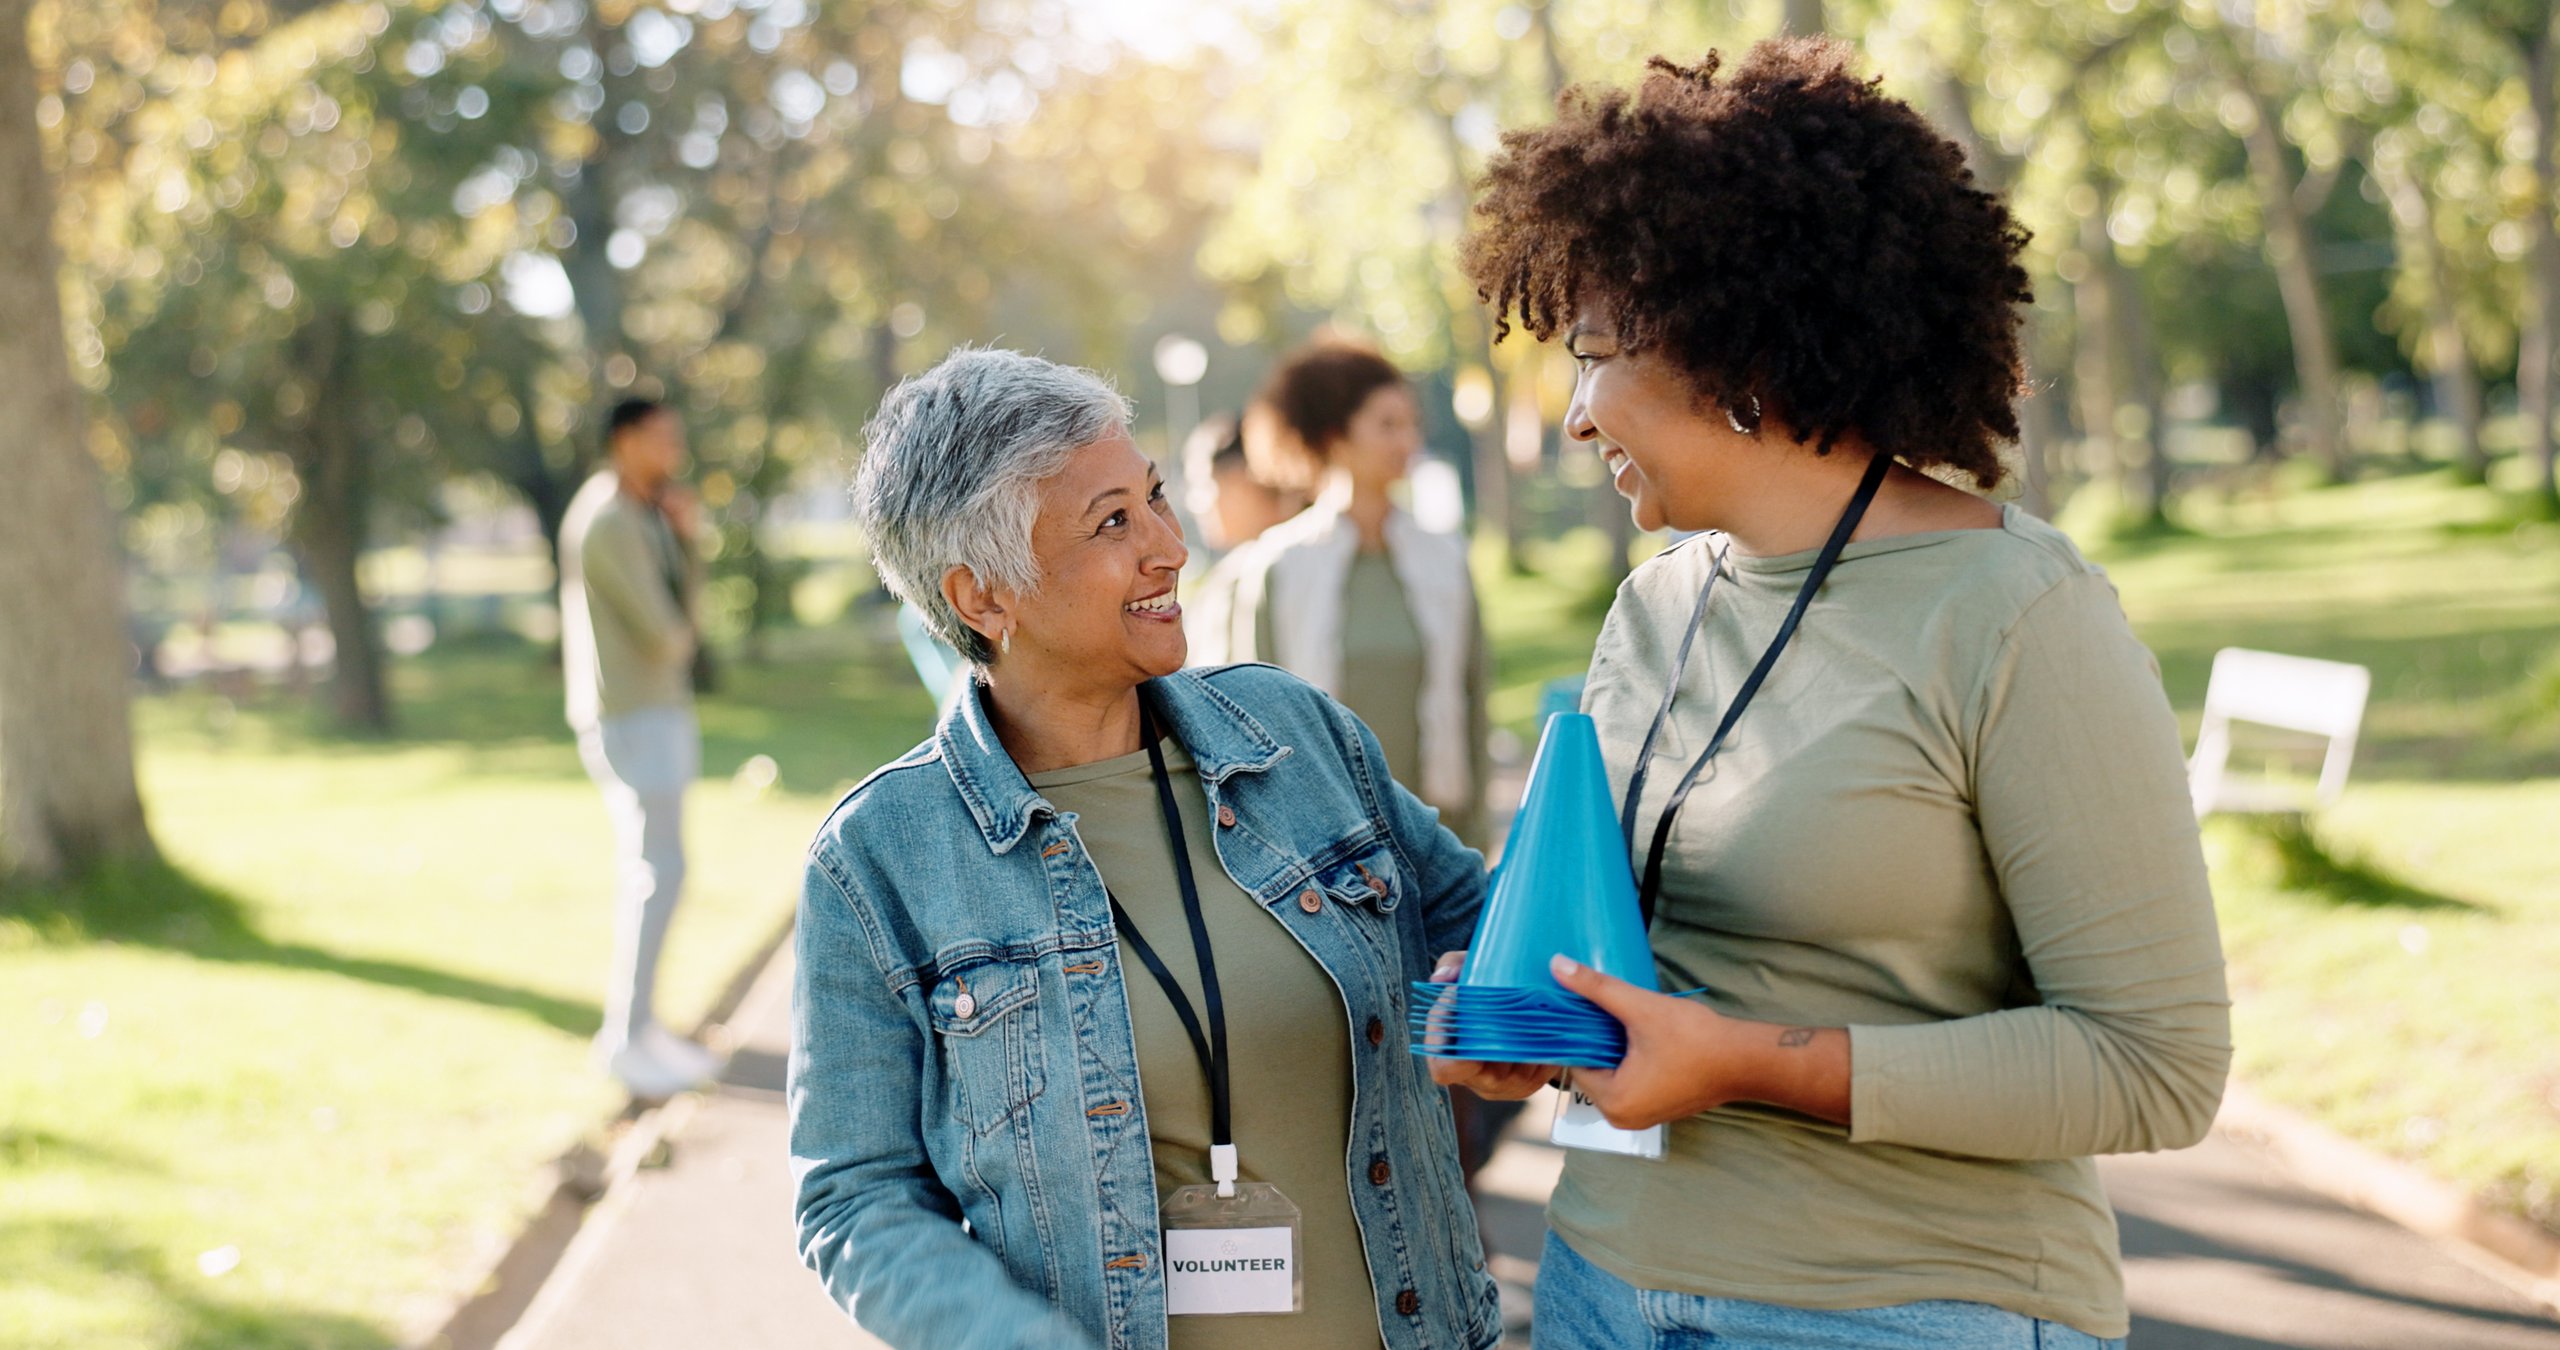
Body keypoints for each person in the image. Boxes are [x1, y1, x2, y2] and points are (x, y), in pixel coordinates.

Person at [1432, 40, 2231, 1350]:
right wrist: (1534, 1006)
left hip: (1907, 1309)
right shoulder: (1653, 608)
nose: (1576, 417)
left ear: (1734, 354)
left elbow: (2155, 1063)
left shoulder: (2020, 615)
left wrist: (1751, 1061)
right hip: (1598, 1287)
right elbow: (1649, 952)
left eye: (1590, 355)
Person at [790, 348, 1501, 1350]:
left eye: (1157, 498)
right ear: (983, 596)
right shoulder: (878, 862)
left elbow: (1477, 922)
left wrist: (1491, 1015)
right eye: (1112, 521)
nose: (1169, 546)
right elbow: (853, 1200)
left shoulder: (1294, 735)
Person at [1205, 340, 1492, 848]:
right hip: (1324, 849)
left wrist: (1478, 836)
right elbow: (1250, 726)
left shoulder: (1446, 559)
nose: (1408, 440)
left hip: (1439, 840)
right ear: (1335, 436)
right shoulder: (1279, 568)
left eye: (1411, 423)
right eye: (1387, 425)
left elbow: (1472, 700)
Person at [559, 397, 723, 1099]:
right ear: (624, 441)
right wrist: (687, 555)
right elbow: (669, 634)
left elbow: (684, 626)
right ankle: (625, 1038)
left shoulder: (642, 515)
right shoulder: (607, 520)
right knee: (657, 872)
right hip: (632, 714)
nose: (673, 452)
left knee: (665, 869)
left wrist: (684, 543)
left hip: (656, 708)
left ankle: (644, 1027)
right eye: (661, 438)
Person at [1177, 410, 1309, 672]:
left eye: (1204, 483)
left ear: (1244, 477)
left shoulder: (1250, 572)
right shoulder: (1320, 556)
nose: (1197, 502)